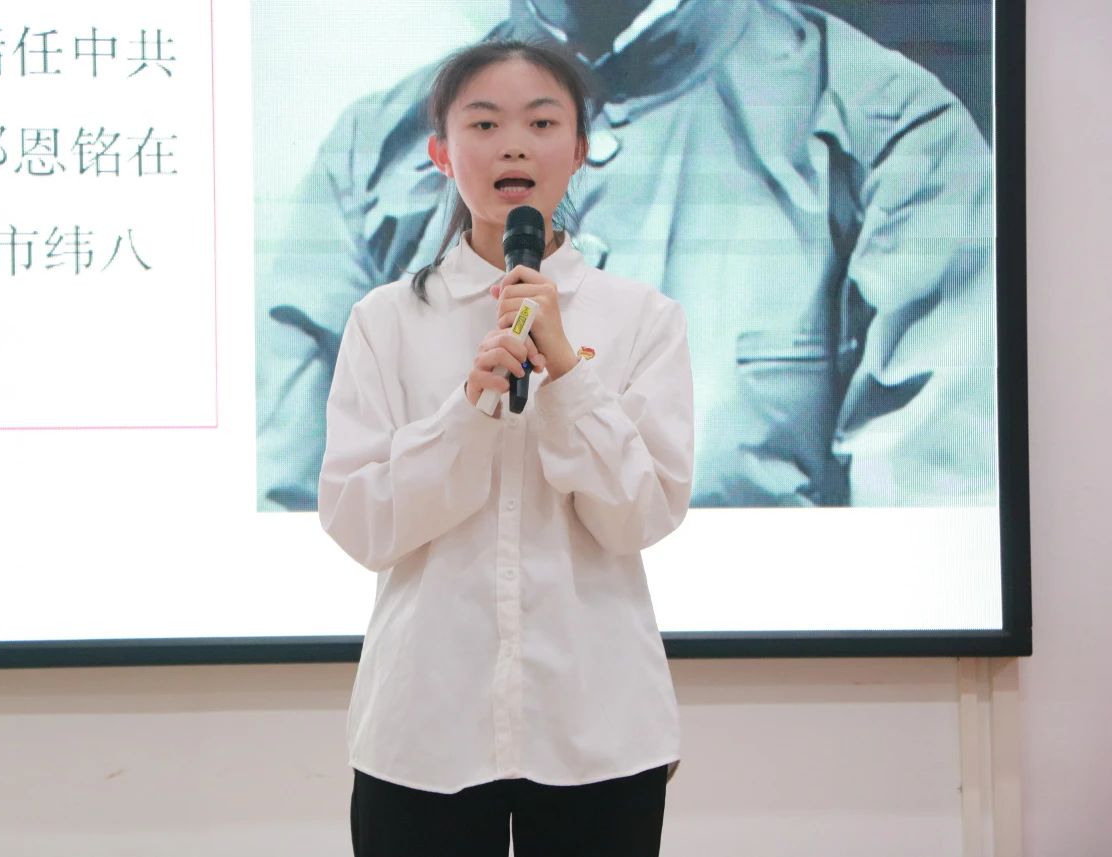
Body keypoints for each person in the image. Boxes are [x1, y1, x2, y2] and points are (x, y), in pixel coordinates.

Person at [257, 0, 996, 512]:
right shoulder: (371, 158)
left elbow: (925, 534)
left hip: (743, 675)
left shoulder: (891, 136)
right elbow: (299, 514)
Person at [317, 40, 691, 856]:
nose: (513, 146)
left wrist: (569, 376)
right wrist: (467, 411)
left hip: (599, 726)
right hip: (425, 731)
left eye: (542, 123)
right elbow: (361, 522)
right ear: (441, 153)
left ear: (581, 150)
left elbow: (643, 513)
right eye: (484, 124)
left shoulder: (642, 318)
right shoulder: (386, 321)